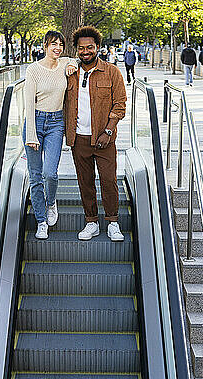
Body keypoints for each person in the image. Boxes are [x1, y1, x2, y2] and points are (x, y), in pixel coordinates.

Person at [64, 25, 127, 242]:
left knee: (108, 181)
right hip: (78, 139)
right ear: (76, 50)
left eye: (90, 47)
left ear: (98, 47)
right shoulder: (70, 73)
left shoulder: (111, 72)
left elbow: (120, 105)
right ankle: (91, 222)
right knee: (85, 181)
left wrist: (108, 130)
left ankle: (113, 223)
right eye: (81, 48)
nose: (85, 52)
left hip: (104, 138)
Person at [23, 30, 77, 239]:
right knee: (36, 177)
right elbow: (28, 103)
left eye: (60, 45)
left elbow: (76, 60)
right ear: (45, 45)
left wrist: (72, 62)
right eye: (53, 44)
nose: (57, 48)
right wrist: (31, 134)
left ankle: (51, 202)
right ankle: (41, 220)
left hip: (56, 123)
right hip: (35, 121)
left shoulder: (64, 64)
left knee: (50, 173)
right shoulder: (33, 70)